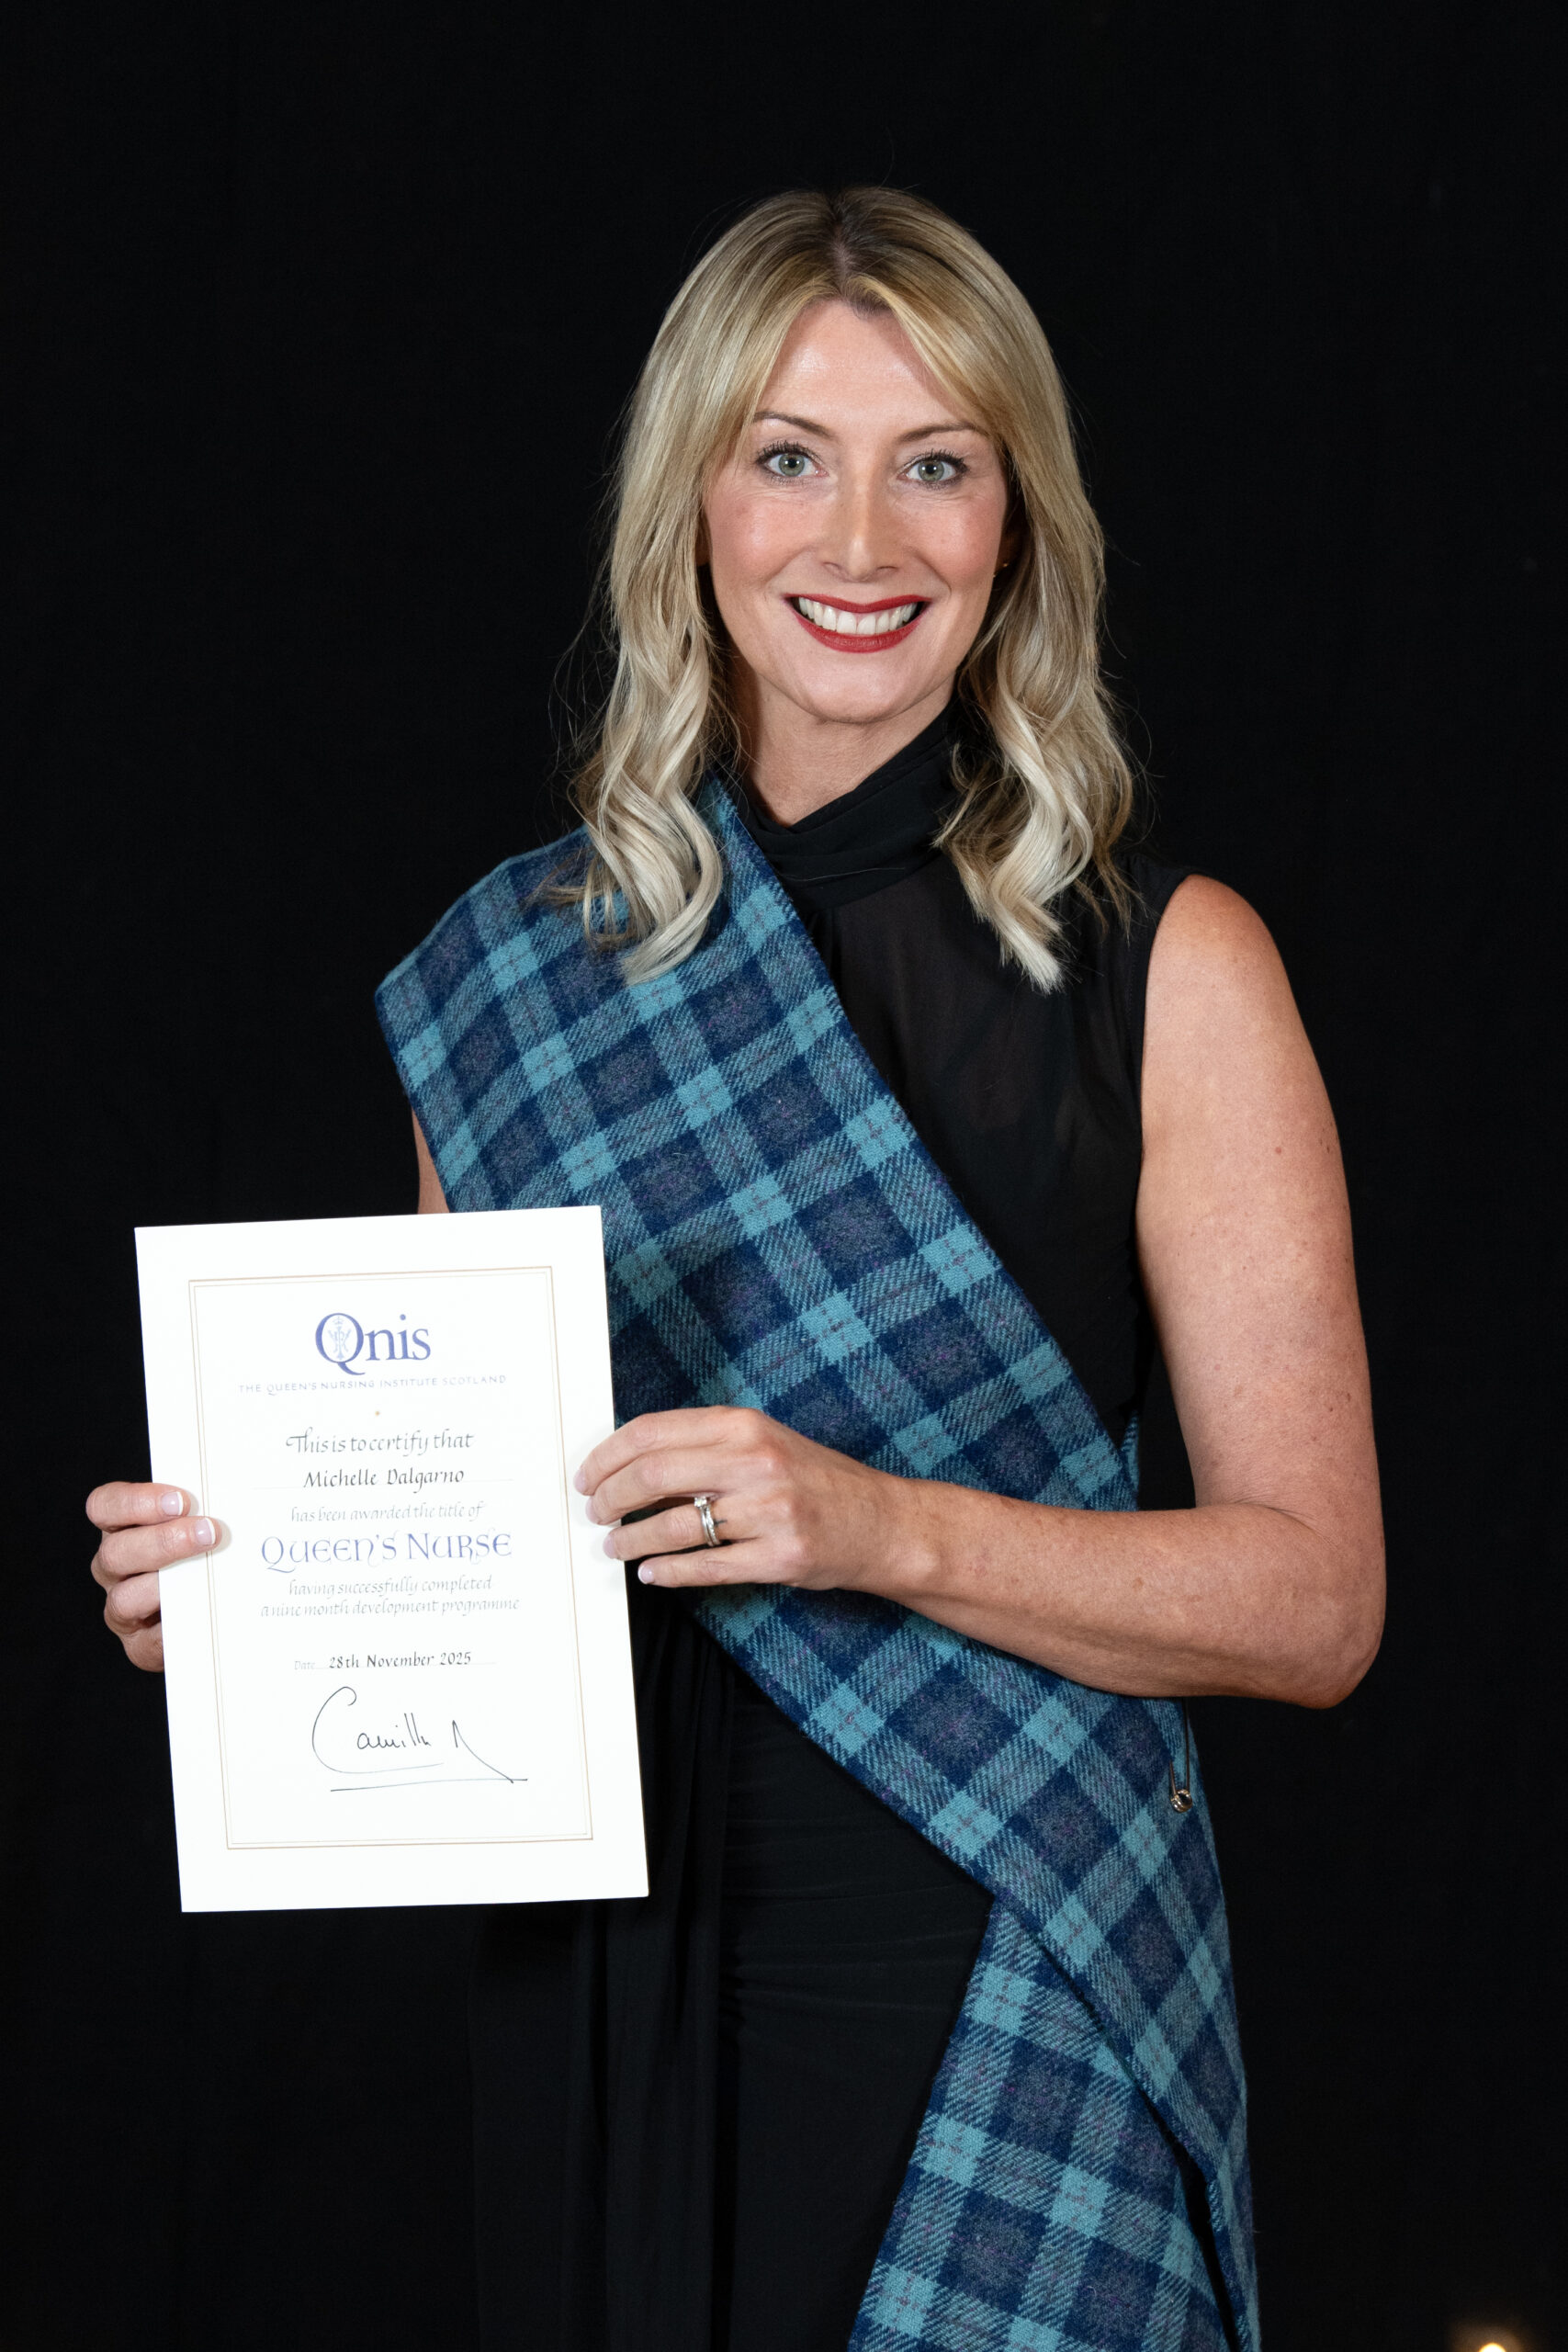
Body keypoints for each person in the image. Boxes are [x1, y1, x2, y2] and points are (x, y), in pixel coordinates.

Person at [87, 187, 1383, 2351]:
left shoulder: (1176, 970)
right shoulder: (522, 980)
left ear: (1013, 518)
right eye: (787, 453)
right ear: (690, 499)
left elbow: (1316, 1599)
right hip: (625, 1970)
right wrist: (241, 1596)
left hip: (1011, 1944)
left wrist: (869, 1522)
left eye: (935, 460)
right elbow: (477, 1533)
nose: (858, 536)